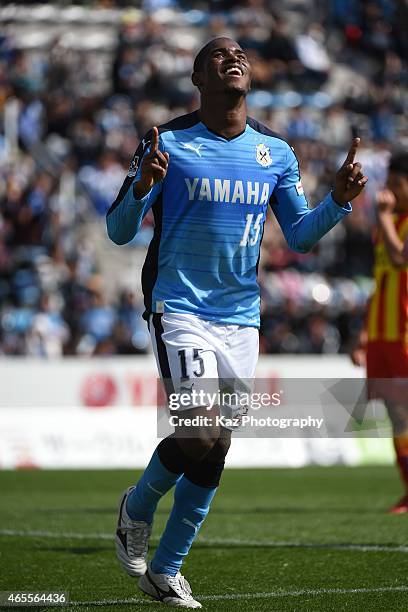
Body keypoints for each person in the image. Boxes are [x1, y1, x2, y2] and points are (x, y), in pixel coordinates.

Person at [107, 37, 367, 609]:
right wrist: (144, 187)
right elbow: (119, 230)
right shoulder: (166, 142)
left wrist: (339, 202)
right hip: (180, 308)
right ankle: (138, 506)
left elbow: (299, 235)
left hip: (240, 317)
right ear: (198, 77)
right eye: (219, 54)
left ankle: (166, 572)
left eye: (241, 53)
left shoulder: (275, 151)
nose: (235, 57)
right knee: (198, 432)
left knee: (217, 446)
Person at [351, 152, 408, 514]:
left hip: (405, 335)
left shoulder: (392, 223)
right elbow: (382, 279)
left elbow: (402, 258)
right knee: (396, 415)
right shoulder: (385, 227)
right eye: (389, 184)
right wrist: (364, 332)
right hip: (382, 335)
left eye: (398, 184)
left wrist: (384, 217)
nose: (391, 191)